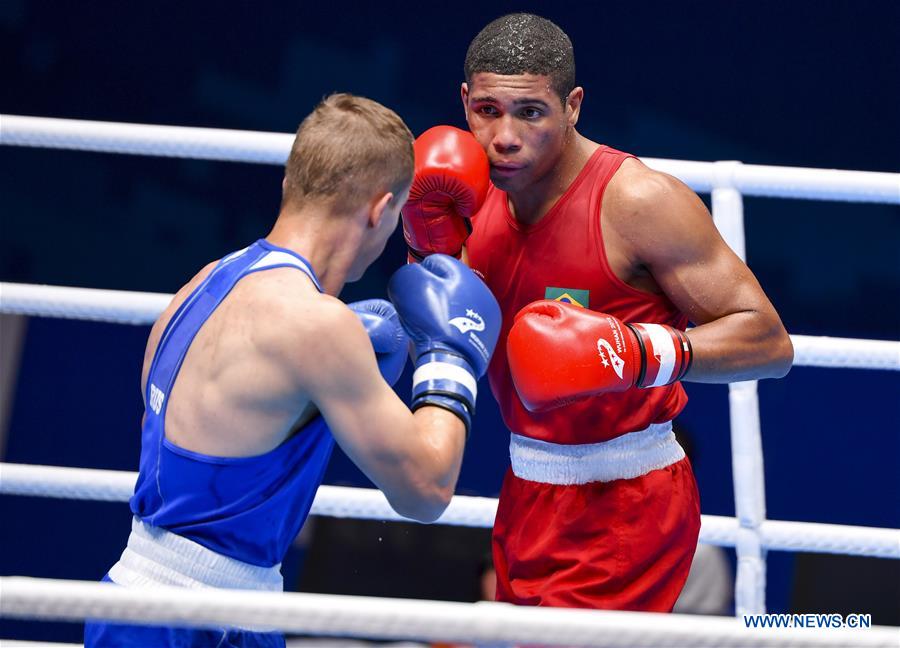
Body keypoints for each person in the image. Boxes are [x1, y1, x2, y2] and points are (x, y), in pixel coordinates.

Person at [401, 13, 793, 611]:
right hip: (526, 488)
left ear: (573, 105)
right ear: (464, 102)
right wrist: (426, 252)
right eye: (487, 111)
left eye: (531, 112)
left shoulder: (636, 201)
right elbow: (444, 342)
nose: (505, 136)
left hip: (629, 503)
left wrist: (636, 353)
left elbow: (769, 342)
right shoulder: (455, 201)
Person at [84, 93, 501, 647]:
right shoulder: (317, 328)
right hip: (204, 623)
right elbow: (426, 489)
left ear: (291, 183)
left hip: (136, 597)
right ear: (381, 212)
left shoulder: (203, 283)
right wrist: (451, 359)